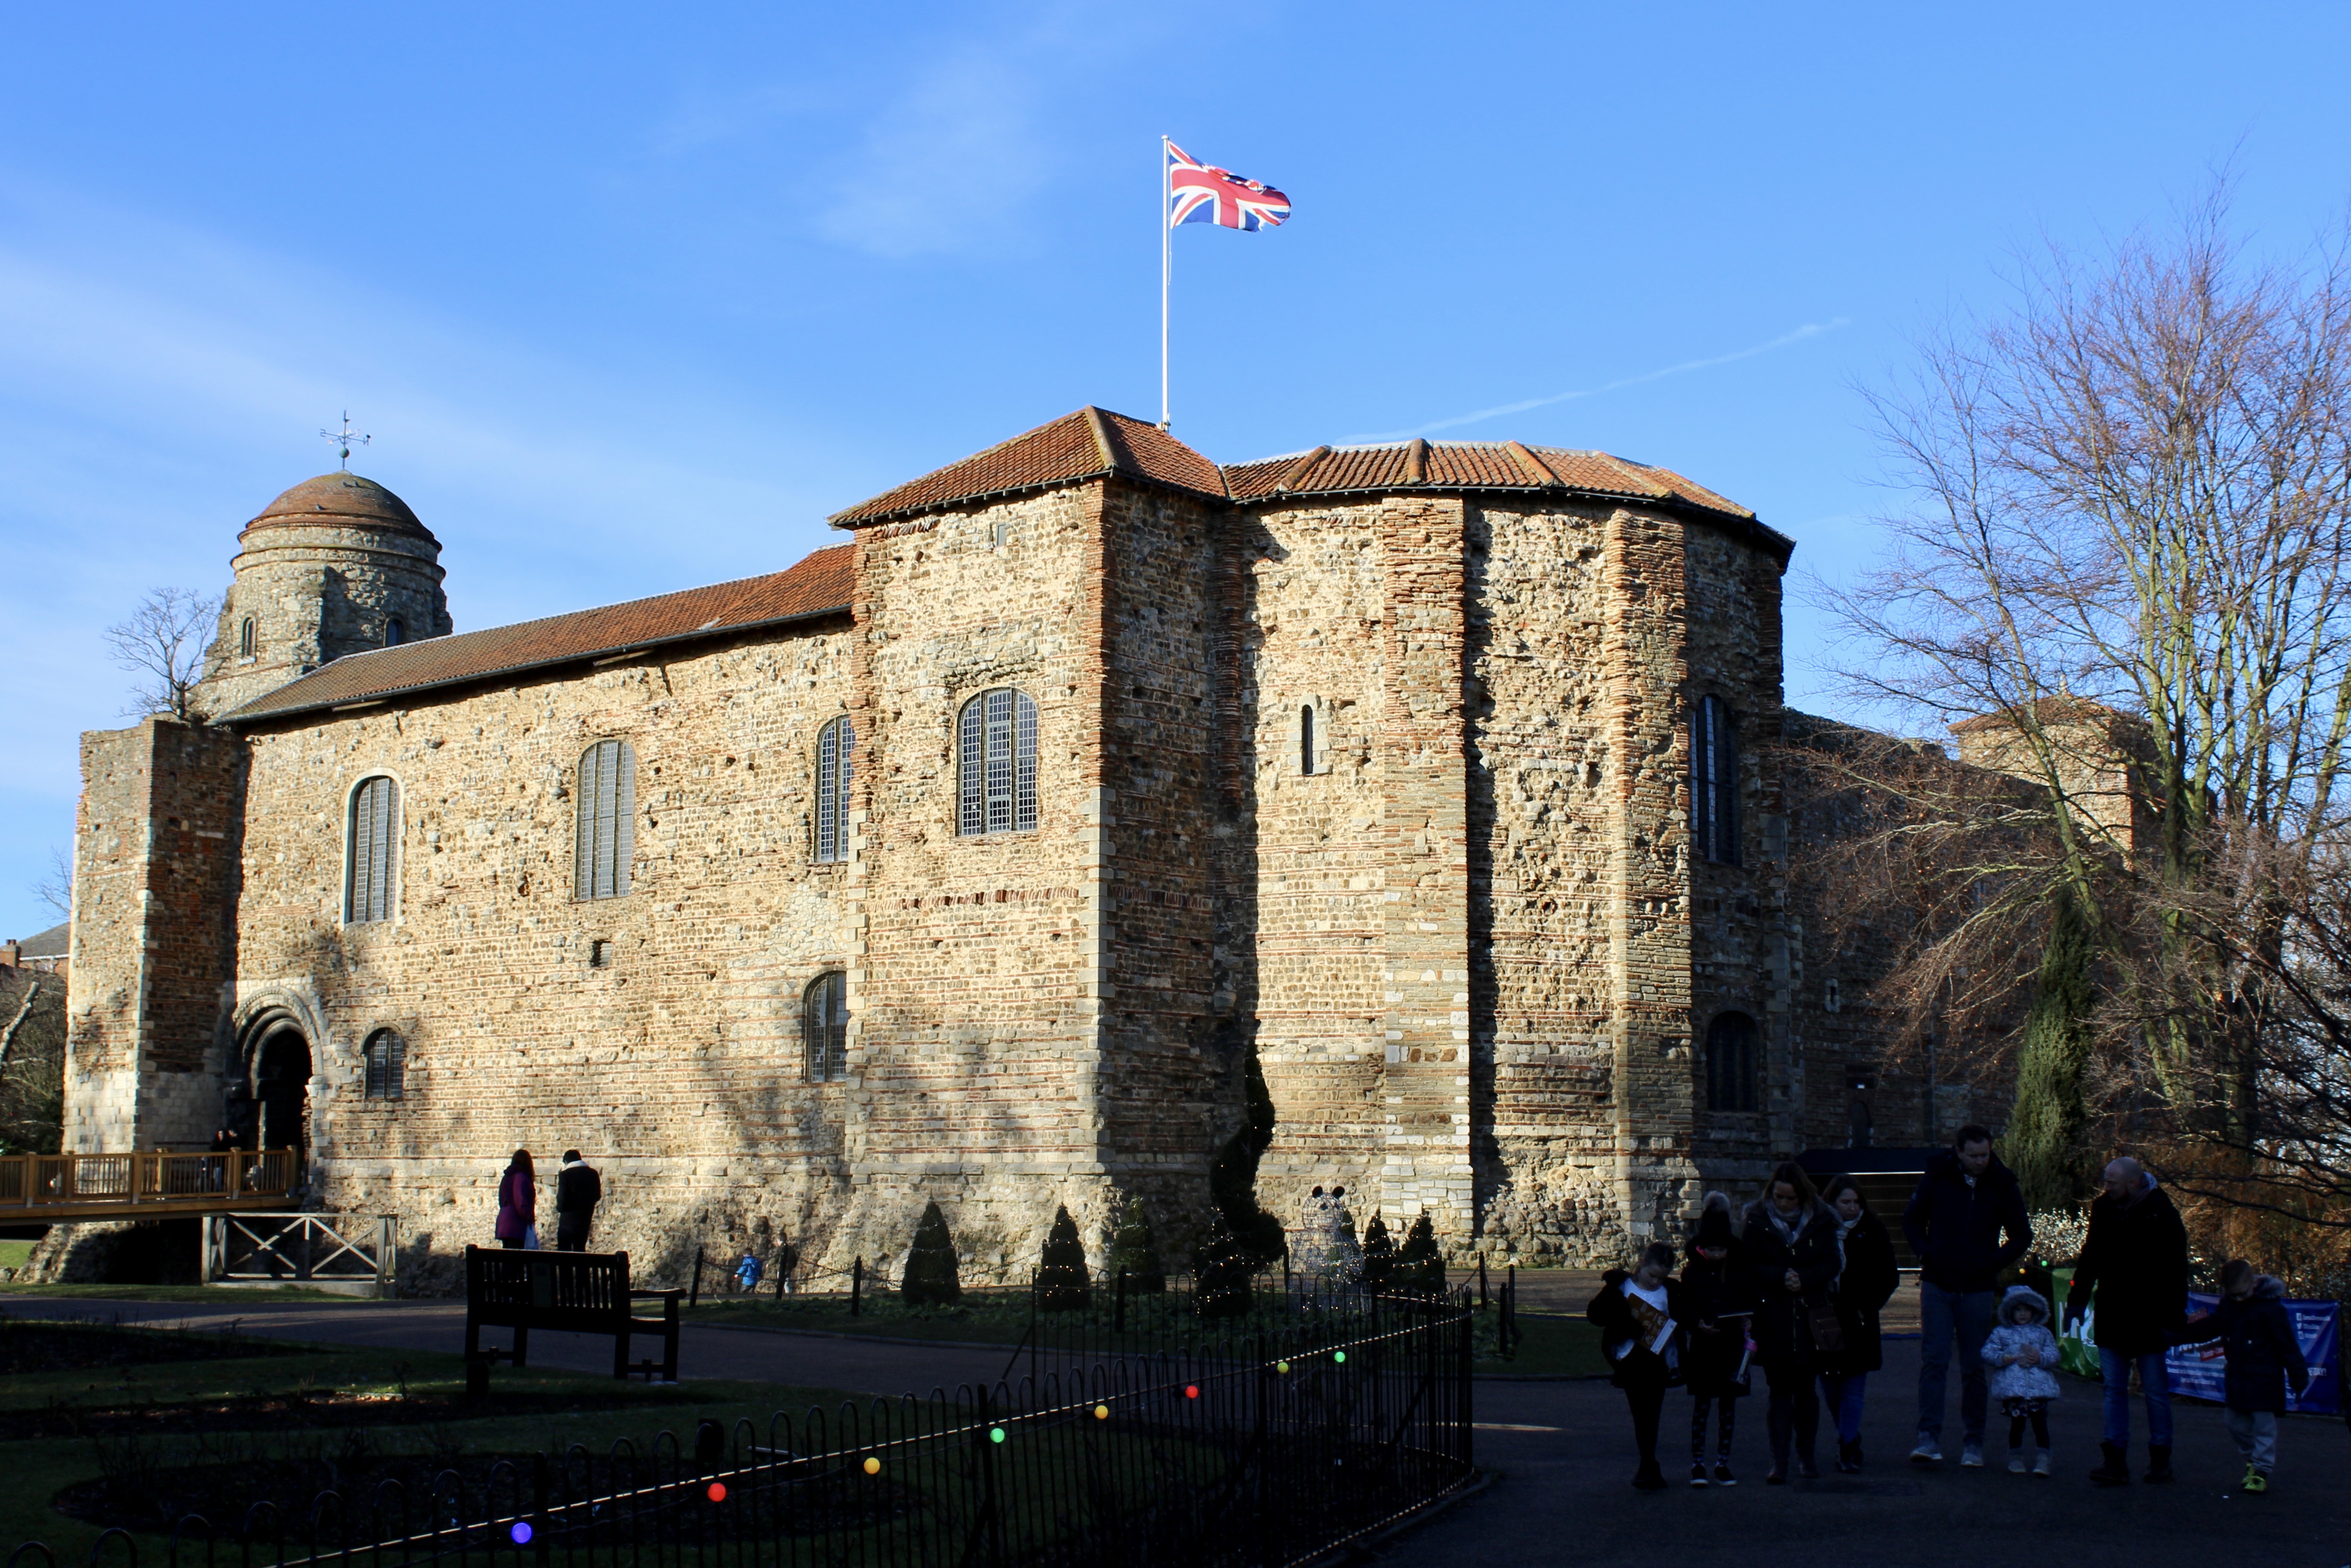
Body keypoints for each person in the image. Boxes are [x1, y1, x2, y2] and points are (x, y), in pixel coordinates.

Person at [1902, 1125, 2031, 1467]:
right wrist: (1926, 1253)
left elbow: (2021, 1234)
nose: (1979, 1161)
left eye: (1984, 1155)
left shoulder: (2001, 1182)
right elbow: (1911, 1219)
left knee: (1973, 1366)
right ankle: (1927, 1437)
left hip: (1976, 1285)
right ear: (1958, 1151)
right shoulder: (1938, 1176)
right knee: (1934, 1359)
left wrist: (1992, 1262)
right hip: (1938, 1281)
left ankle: (1973, 1441)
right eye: (1973, 1155)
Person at [2062, 1154, 2189, 1485]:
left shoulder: (2162, 1213)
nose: (2105, 1187)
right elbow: (2090, 1255)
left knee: (2154, 1391)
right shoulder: (2104, 1209)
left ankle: (2159, 1457)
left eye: (2111, 1182)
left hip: (2149, 1315)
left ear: (2133, 1183)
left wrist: (2172, 1320)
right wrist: (2076, 1300)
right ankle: (2115, 1457)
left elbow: (2176, 1270)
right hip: (2114, 1312)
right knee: (2114, 1389)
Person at [1742, 1162, 1842, 1483]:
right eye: (1779, 1197)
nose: (1784, 1203)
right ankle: (1779, 1459)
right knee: (1779, 1390)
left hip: (1811, 1313)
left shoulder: (1821, 1220)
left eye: (1791, 1198)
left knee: (1807, 1390)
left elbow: (1832, 1261)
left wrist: (1805, 1278)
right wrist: (1778, 1276)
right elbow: (1749, 1263)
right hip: (1773, 1314)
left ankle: (1807, 1455)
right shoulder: (1757, 1219)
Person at [2185, 1260, 2310, 1494]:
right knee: (2234, 1423)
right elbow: (2209, 1328)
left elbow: (2288, 1347)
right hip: (2239, 1377)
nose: (2239, 1299)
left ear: (2254, 1284)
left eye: (2242, 1294)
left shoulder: (2271, 1309)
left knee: (2264, 1427)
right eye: (2234, 1295)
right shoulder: (2229, 1306)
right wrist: (2176, 1334)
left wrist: (2298, 1377)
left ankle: (2261, 1470)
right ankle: (2253, 1459)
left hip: (2265, 1380)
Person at [1587, 1240, 1687, 1491]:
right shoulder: (1621, 1287)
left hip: (1657, 1360)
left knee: (1651, 1414)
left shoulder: (1669, 1292)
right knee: (1641, 1413)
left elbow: (1683, 1320)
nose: (1656, 1282)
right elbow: (1595, 1315)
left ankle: (1648, 1464)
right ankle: (1648, 1463)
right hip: (1632, 1360)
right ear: (1641, 1264)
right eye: (1652, 1275)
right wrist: (1625, 1325)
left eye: (1662, 1278)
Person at [1819, 1173, 1899, 1473]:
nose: (1852, 1208)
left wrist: (1868, 1307)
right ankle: (1848, 1434)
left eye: (1856, 1202)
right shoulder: (1821, 1229)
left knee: (1852, 1385)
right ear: (1832, 1202)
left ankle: (1847, 1443)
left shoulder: (1872, 1229)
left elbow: (1890, 1275)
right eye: (1845, 1202)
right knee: (1830, 1384)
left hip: (1858, 1317)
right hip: (1826, 1315)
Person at [1681, 1192, 1751, 1486]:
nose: (1717, 1255)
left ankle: (1723, 1461)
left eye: (1722, 1250)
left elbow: (1747, 1302)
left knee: (1727, 1407)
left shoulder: (1736, 1272)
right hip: (1704, 1347)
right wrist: (1697, 1323)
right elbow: (1685, 1306)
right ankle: (1698, 1462)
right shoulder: (1692, 1273)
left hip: (1730, 1346)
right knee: (1702, 1406)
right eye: (1711, 1250)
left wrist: (1746, 1319)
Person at [1981, 1284, 2061, 1477]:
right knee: (2017, 1425)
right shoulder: (2001, 1333)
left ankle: (2044, 1459)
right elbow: (1987, 1352)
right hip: (2014, 1389)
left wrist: (2041, 1358)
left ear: (2035, 1311)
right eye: (2018, 1310)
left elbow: (2054, 1353)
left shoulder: (2043, 1333)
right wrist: (2002, 1358)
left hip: (2038, 1388)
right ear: (2010, 1311)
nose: (2023, 1314)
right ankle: (2015, 1458)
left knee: (2040, 1425)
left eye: (2027, 1310)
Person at [555, 1149, 602, 1251]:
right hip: (585, 1219)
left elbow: (562, 1200)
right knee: (580, 1251)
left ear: (566, 1162)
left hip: (568, 1221)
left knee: (564, 1253)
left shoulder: (565, 1175)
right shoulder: (593, 1174)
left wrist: (559, 1208)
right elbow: (597, 1196)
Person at [494, 1148, 536, 1250]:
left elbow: (502, 1200)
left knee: (509, 1261)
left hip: (505, 1222)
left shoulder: (507, 1177)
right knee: (515, 1262)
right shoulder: (520, 1177)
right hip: (516, 1225)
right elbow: (520, 1202)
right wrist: (529, 1218)